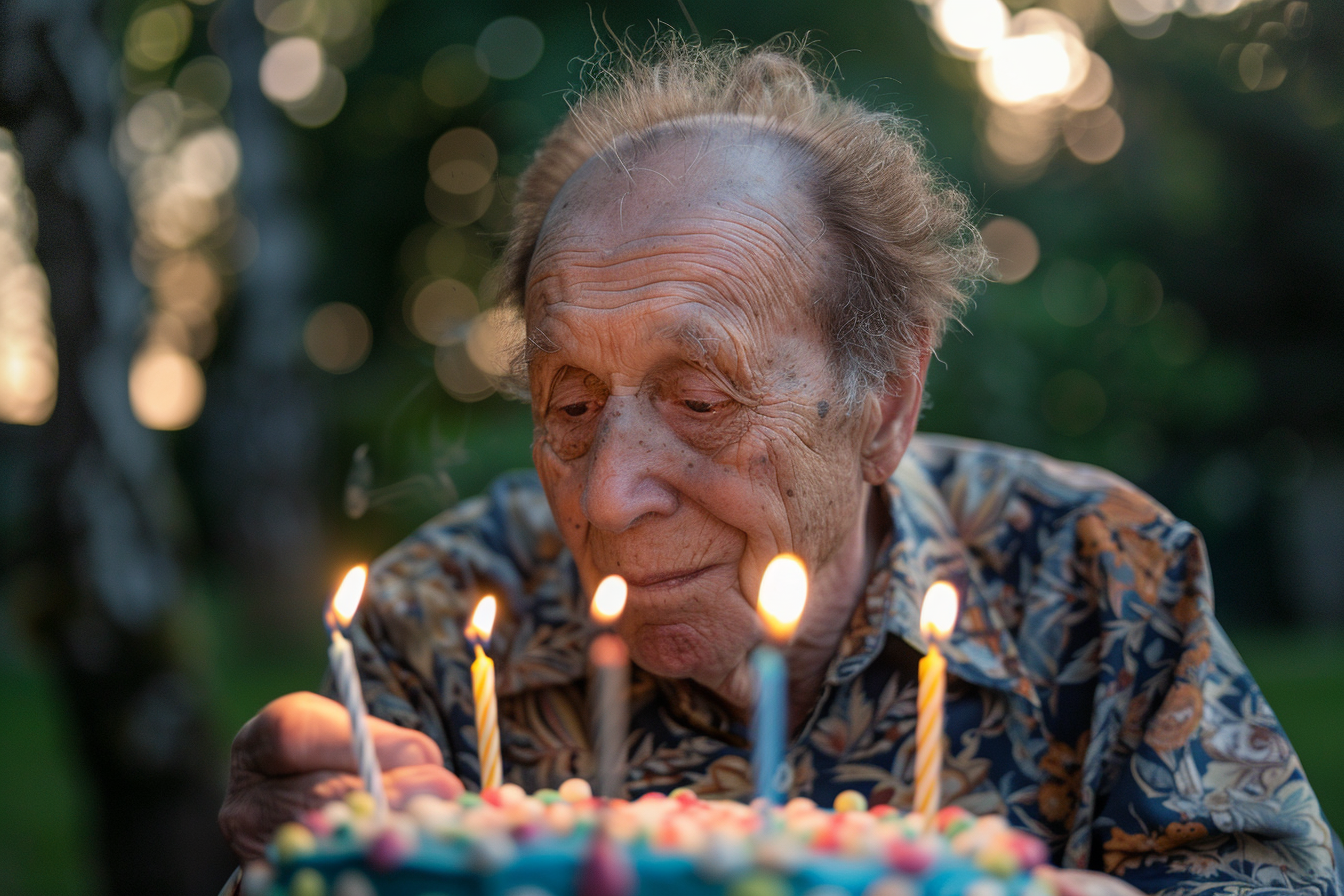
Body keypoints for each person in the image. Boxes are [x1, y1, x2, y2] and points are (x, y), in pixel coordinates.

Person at [220, 39, 1341, 896]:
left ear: (886, 402)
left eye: (701, 400)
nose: (610, 495)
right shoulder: (425, 634)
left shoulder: (1103, 572)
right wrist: (308, 853)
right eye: (569, 403)